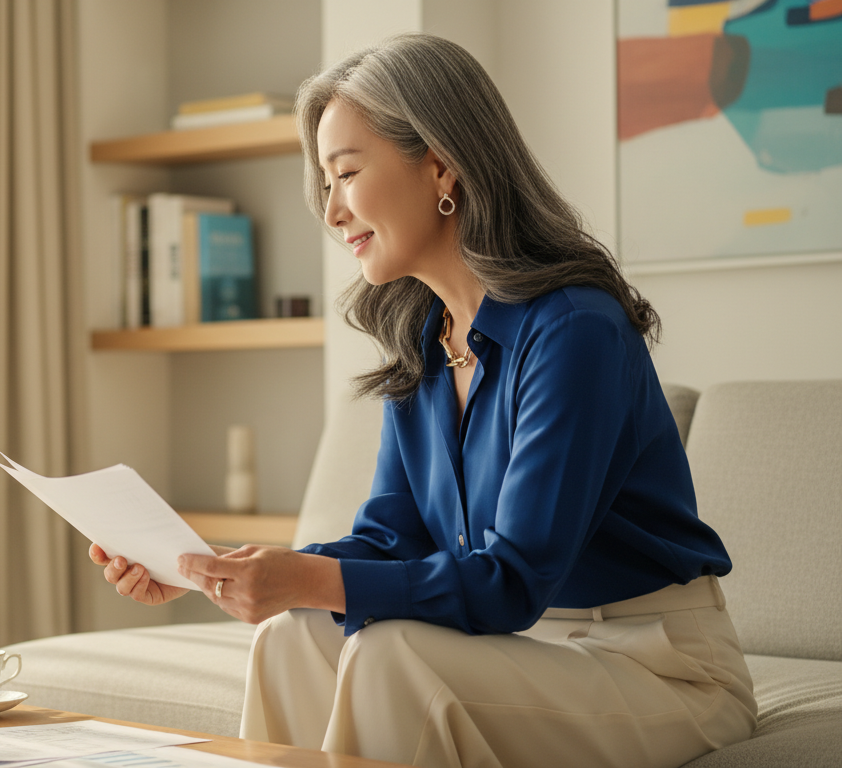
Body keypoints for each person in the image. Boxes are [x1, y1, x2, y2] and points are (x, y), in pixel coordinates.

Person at [90, 33, 756, 768]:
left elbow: (512, 580)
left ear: (440, 164)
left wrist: (303, 579)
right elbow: (390, 543)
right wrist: (217, 570)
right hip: (517, 649)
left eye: (347, 174)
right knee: (292, 634)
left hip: (654, 665)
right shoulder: (425, 341)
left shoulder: (575, 330)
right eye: (325, 183)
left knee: (392, 653)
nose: (332, 212)